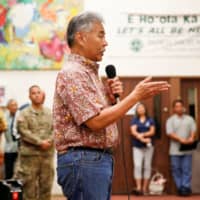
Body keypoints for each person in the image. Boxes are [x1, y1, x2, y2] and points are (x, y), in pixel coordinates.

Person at [53, 11, 170, 200]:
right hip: (84, 160)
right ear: (81, 37)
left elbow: (96, 116)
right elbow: (95, 122)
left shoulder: (88, 73)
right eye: (101, 35)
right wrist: (135, 97)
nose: (105, 42)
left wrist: (110, 99)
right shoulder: (74, 73)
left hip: (92, 160)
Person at [16, 85, 54, 200]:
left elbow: (56, 129)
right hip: (30, 158)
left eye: (39, 92)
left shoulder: (49, 113)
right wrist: (39, 142)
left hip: (46, 156)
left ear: (43, 95)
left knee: (46, 188)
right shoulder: (24, 113)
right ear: (29, 96)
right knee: (29, 190)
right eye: (34, 93)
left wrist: (50, 140)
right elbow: (23, 131)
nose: (37, 95)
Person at [166, 99, 196, 196]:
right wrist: (180, 139)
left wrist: (191, 137)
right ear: (174, 108)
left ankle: (185, 187)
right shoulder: (170, 120)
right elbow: (169, 133)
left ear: (183, 107)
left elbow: (193, 130)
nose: (179, 108)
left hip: (187, 149)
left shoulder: (190, 119)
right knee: (176, 169)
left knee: (186, 169)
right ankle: (180, 188)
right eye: (177, 106)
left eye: (180, 106)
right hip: (175, 150)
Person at [130, 103, 155, 195]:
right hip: (137, 146)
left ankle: (144, 188)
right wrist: (141, 138)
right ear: (137, 110)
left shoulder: (150, 120)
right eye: (139, 108)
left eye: (142, 107)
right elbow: (133, 131)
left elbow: (152, 131)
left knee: (147, 166)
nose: (141, 109)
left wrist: (142, 135)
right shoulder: (134, 120)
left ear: (145, 109)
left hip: (149, 146)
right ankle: (138, 187)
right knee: (137, 166)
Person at [4, 99, 19, 179]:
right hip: (9, 148)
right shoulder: (4, 117)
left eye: (16, 105)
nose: (15, 107)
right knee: (8, 171)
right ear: (8, 107)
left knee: (19, 172)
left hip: (19, 149)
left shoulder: (20, 116)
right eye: (12, 105)